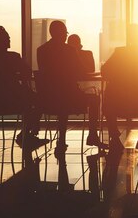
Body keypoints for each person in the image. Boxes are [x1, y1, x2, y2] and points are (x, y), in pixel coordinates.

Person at [36, 20, 106, 153]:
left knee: (62, 102)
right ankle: (92, 135)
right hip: (70, 97)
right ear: (61, 33)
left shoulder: (41, 50)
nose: (65, 36)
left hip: (48, 99)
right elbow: (82, 71)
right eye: (65, 32)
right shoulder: (69, 50)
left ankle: (58, 140)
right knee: (94, 99)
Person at [0, 26, 47, 149]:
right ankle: (26, 133)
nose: (10, 40)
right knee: (40, 100)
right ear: (2, 40)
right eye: (8, 38)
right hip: (13, 101)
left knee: (32, 101)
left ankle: (27, 134)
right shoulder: (13, 57)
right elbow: (27, 71)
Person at [101, 24, 138, 152]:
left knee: (107, 99)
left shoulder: (119, 53)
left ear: (129, 38)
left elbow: (104, 71)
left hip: (118, 104)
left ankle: (114, 138)